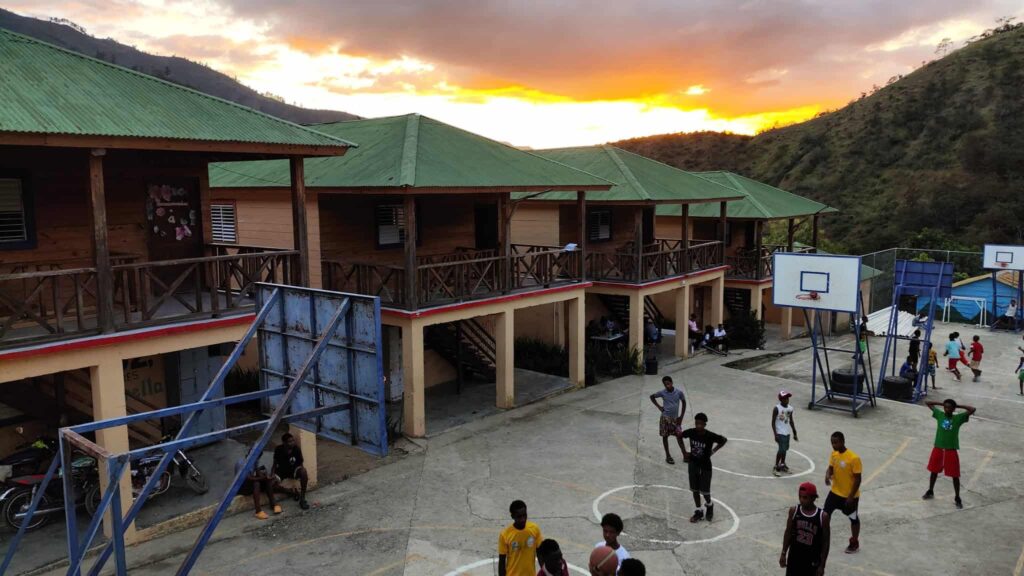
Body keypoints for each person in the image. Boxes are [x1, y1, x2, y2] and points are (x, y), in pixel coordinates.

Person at [922, 399, 976, 509]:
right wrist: (942, 403)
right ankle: (930, 490)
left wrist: (958, 405)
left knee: (955, 475)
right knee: (934, 471)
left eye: (949, 407)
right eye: (945, 407)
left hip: (951, 450)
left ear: (953, 409)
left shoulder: (958, 418)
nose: (947, 409)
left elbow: (972, 409)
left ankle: (957, 497)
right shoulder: (939, 415)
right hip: (938, 447)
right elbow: (928, 403)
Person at [680, 412, 728, 523]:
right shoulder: (691, 432)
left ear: (705, 425)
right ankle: (699, 511)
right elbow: (680, 436)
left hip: (705, 466)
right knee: (695, 490)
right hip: (693, 464)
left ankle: (709, 505)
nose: (698, 426)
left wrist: (713, 451)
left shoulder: (710, 436)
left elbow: (724, 440)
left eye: (701, 424)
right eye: (696, 423)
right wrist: (684, 452)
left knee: (705, 491)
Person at [780, 482, 830, 576]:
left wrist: (822, 566)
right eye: (800, 497)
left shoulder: (822, 516)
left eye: (805, 497)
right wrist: (783, 553)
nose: (802, 500)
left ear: (813, 498)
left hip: (812, 561)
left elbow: (825, 542)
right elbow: (788, 533)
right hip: (794, 558)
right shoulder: (794, 511)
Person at [824, 431, 861, 554]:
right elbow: (830, 468)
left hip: (849, 496)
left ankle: (854, 542)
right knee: (825, 515)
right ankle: (823, 537)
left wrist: (851, 496)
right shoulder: (834, 454)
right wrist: (827, 475)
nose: (833, 445)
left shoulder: (853, 458)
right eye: (832, 443)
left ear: (843, 441)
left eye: (836, 442)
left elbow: (858, 479)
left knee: (853, 518)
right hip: (835, 493)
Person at [499, 500, 543, 576]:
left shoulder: (534, 529)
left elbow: (540, 554)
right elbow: (502, 561)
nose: (523, 519)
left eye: (524, 515)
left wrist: (546, 572)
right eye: (519, 516)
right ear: (512, 516)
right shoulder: (505, 535)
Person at [650, 376, 686, 464]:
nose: (667, 386)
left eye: (668, 384)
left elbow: (684, 403)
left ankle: (685, 455)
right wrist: (659, 407)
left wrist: (681, 417)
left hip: (675, 419)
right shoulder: (662, 392)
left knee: (679, 436)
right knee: (665, 436)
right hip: (665, 418)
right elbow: (652, 397)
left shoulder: (679, 392)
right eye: (665, 384)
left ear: (672, 382)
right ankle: (668, 456)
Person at [235, 454, 280, 520]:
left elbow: (258, 473)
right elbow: (248, 478)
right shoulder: (241, 463)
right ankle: (258, 511)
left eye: (258, 456)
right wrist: (262, 478)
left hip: (249, 484)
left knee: (266, 481)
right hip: (242, 487)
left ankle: (273, 504)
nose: (257, 458)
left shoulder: (255, 461)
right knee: (256, 483)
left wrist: (266, 477)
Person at [272, 432, 309, 510]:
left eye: (293, 441)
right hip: (282, 471)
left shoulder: (296, 449)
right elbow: (275, 463)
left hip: (293, 470)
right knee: (271, 484)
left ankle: (302, 499)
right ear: (284, 443)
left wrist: (301, 474)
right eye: (289, 441)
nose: (292, 443)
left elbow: (300, 464)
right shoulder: (278, 449)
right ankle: (291, 492)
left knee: (304, 472)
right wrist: (272, 474)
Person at [772, 391, 798, 476]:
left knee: (785, 449)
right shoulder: (777, 408)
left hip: (787, 433)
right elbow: (773, 422)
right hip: (779, 432)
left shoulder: (790, 408)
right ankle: (776, 466)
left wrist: (794, 432)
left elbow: (791, 421)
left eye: (788, 398)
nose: (787, 399)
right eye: (785, 398)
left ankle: (782, 464)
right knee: (781, 449)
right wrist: (775, 434)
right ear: (781, 399)